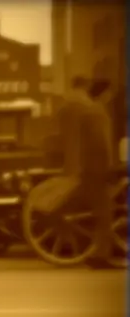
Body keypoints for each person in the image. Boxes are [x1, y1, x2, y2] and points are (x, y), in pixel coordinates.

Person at [58, 76, 118, 269]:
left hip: (87, 167)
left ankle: (90, 251)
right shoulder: (98, 113)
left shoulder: (87, 111)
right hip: (97, 168)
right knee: (104, 215)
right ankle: (100, 255)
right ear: (104, 94)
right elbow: (101, 144)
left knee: (90, 212)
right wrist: (108, 167)